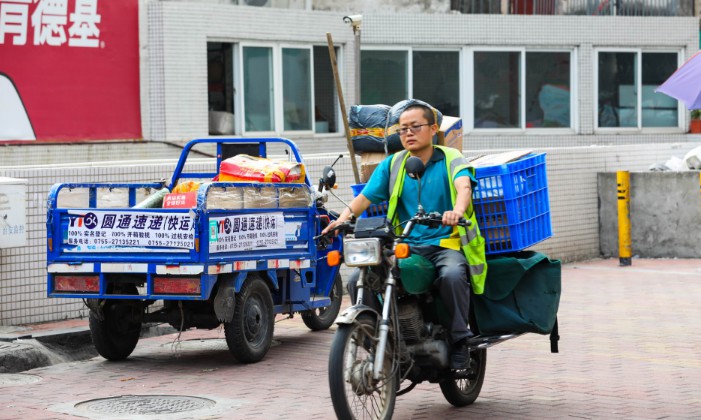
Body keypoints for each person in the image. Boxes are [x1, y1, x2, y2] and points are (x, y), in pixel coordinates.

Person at [322, 103, 487, 369]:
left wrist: (456, 211)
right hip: (406, 245)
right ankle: (379, 337)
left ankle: (459, 341)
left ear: (433, 129)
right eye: (402, 129)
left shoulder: (451, 157)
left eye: (415, 127)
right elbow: (364, 197)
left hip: (445, 243)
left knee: (453, 276)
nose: (408, 133)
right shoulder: (394, 163)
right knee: (357, 279)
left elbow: (464, 186)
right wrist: (341, 220)